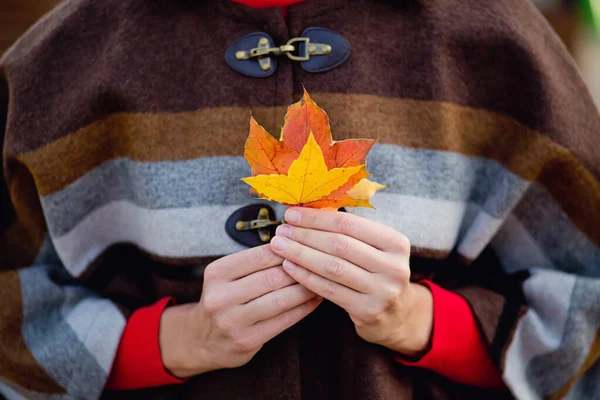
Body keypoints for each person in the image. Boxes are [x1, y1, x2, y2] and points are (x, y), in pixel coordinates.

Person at [0, 0, 598, 399]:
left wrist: (419, 321)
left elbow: (586, 293)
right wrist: (175, 342)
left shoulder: (497, 40)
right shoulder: (59, 61)